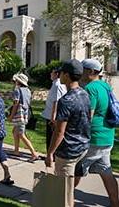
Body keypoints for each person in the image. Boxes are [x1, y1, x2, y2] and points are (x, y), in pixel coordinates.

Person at [45, 59, 91, 207]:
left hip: (68, 152)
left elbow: (59, 132)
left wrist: (50, 153)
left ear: (66, 75)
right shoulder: (85, 94)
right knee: (69, 190)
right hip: (83, 147)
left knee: (63, 193)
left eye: (61, 73)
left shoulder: (66, 100)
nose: (59, 76)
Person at [74, 59, 119, 207]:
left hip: (93, 139)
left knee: (74, 170)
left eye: (83, 69)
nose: (80, 73)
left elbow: (88, 116)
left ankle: (60, 199)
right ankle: (115, 203)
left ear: (91, 72)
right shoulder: (105, 86)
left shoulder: (91, 88)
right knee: (106, 173)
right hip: (107, 137)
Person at [8, 73, 39, 162]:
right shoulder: (28, 91)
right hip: (25, 114)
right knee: (15, 131)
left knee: (21, 134)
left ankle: (34, 153)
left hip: (19, 114)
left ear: (18, 81)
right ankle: (16, 150)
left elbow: (16, 104)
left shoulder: (17, 91)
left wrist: (11, 116)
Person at [41, 68, 67, 153]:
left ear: (56, 74)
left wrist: (53, 117)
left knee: (51, 136)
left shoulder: (57, 85)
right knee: (50, 136)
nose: (50, 74)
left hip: (52, 116)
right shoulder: (55, 84)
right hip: (49, 114)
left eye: (52, 72)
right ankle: (50, 153)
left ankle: (52, 154)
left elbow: (56, 101)